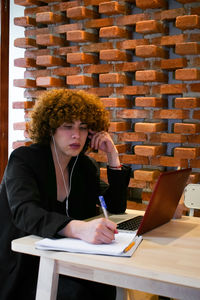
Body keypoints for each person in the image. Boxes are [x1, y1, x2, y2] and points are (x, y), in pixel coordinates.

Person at [0, 89, 131, 300]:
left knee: (106, 287)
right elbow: (26, 212)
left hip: (68, 261)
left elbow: (114, 206)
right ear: (50, 128)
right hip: (22, 266)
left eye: (83, 128)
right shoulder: (24, 160)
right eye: (67, 126)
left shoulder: (84, 167)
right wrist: (79, 228)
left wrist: (113, 157)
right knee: (75, 294)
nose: (76, 135)